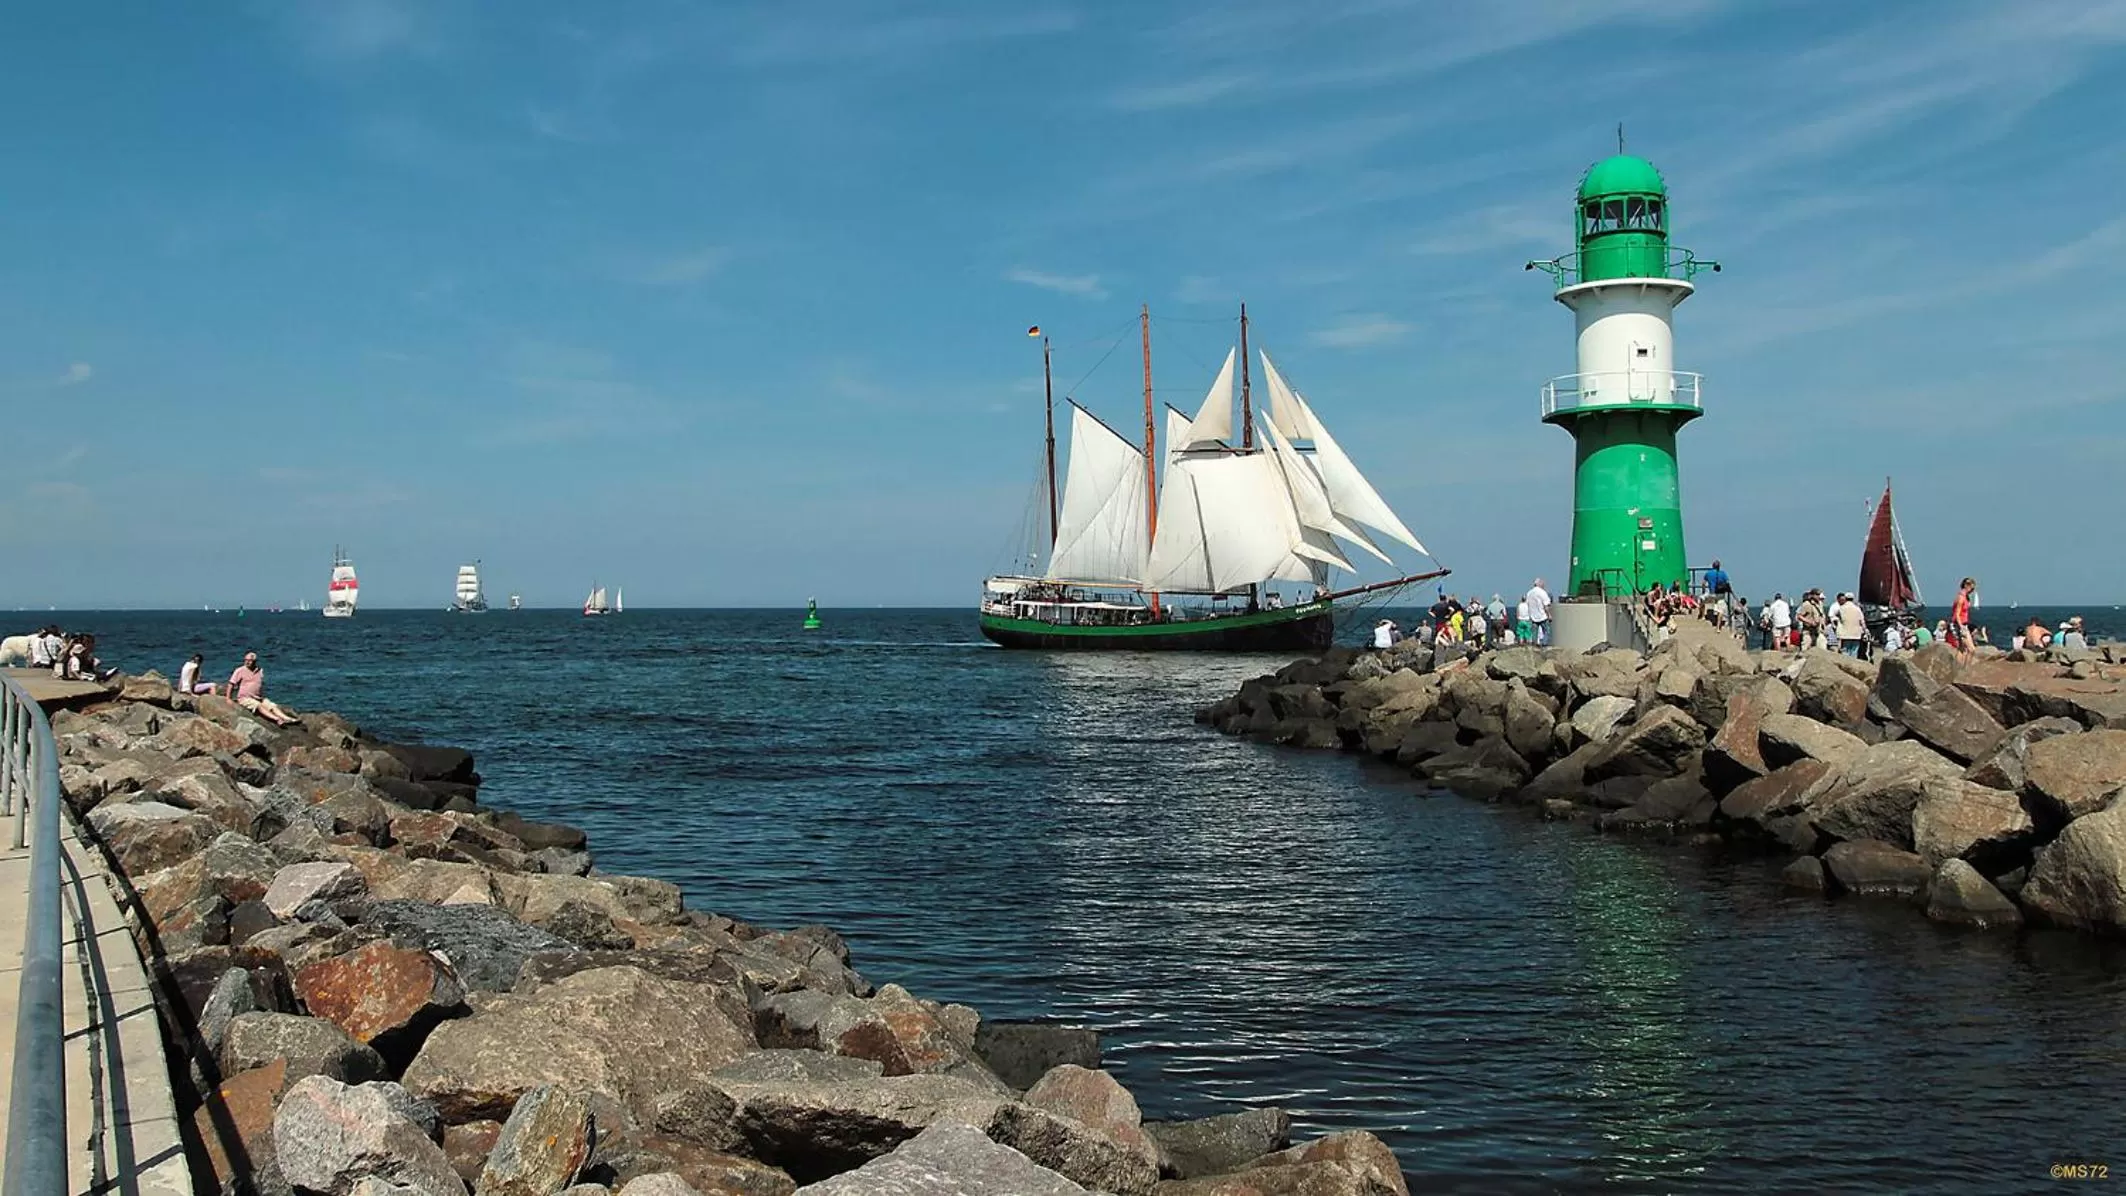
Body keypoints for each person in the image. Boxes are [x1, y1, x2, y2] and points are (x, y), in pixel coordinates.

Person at [227, 651, 300, 726]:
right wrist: (228, 698)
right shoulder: (239, 671)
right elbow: (231, 684)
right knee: (257, 705)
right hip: (244, 698)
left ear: (255, 662)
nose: (247, 662)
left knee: (271, 705)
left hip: (258, 697)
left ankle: (287, 719)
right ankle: (277, 719)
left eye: (250, 661)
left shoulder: (260, 671)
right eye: (246, 660)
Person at [1949, 577, 1977, 663]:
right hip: (1959, 624)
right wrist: (1961, 626)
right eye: (1971, 588)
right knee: (1971, 649)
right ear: (1966, 585)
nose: (1972, 591)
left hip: (1963, 623)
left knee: (1962, 649)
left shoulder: (1966, 597)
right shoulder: (1961, 597)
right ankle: (1965, 668)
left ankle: (1959, 666)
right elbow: (1957, 614)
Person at [1832, 593, 1867, 657]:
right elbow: (1862, 622)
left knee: (1845, 652)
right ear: (1853, 599)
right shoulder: (1858, 609)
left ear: (1845, 599)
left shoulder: (1841, 608)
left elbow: (1835, 618)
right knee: (1854, 652)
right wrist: (1865, 631)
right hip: (1856, 634)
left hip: (1845, 635)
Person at [1525, 578, 1552, 647]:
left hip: (1533, 616)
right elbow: (1546, 605)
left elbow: (1527, 604)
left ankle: (1534, 646)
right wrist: (1549, 615)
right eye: (1542, 583)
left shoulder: (1529, 593)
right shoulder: (1542, 592)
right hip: (1542, 616)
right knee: (1547, 631)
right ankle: (1543, 644)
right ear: (1539, 584)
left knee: (1534, 633)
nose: (1544, 585)